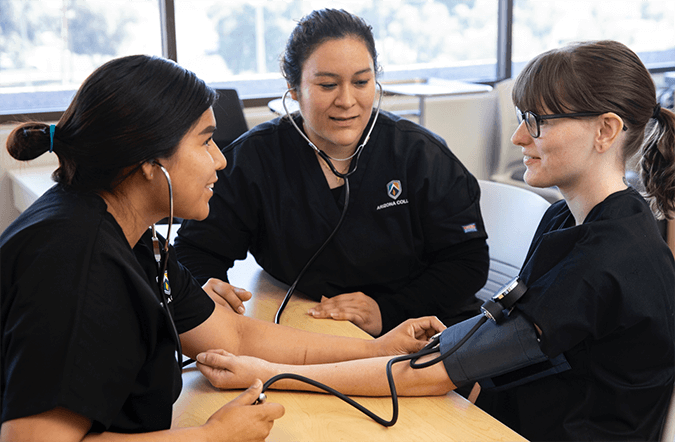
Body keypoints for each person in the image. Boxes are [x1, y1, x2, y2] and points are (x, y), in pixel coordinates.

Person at [194, 40, 675, 441]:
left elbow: (437, 371)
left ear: (606, 131)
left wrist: (270, 375)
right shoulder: (567, 219)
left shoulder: (606, 257)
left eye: (537, 121)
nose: (517, 138)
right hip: (517, 410)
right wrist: (452, 347)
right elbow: (514, 328)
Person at [0, 54, 446, 442]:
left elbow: (235, 335)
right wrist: (209, 437)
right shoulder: (76, 261)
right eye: (206, 140)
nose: (221, 158)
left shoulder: (130, 236)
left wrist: (377, 350)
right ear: (150, 162)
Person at [174, 8, 489, 336]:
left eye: (362, 82)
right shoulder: (254, 160)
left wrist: (387, 311)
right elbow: (197, 249)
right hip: (307, 322)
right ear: (293, 88)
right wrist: (206, 293)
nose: (347, 100)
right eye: (327, 85)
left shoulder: (421, 156)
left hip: (415, 327)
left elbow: (468, 262)